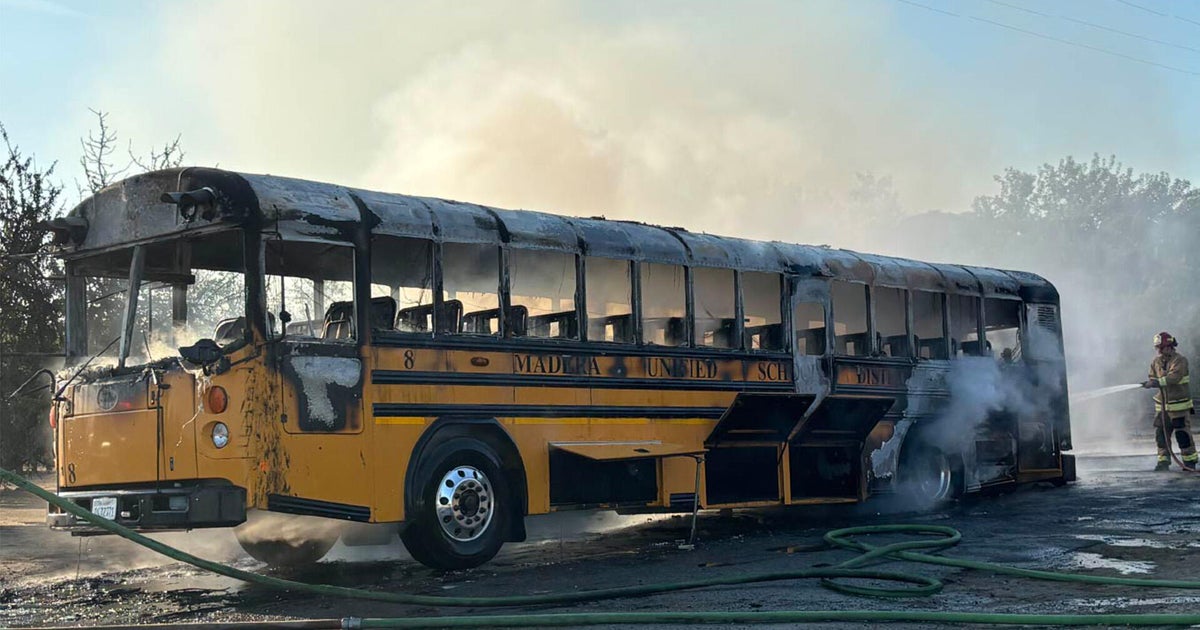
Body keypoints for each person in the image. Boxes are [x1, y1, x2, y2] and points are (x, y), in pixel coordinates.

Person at [1143, 331, 1197, 471]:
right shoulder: (1156, 362)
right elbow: (1152, 377)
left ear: (1169, 346)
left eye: (1161, 348)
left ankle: (1189, 462)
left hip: (1178, 406)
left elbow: (1174, 377)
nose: (1159, 351)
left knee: (1182, 435)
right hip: (1162, 408)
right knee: (1161, 436)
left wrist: (1156, 383)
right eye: (1157, 348)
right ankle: (1163, 462)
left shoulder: (1180, 360)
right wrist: (1150, 382)